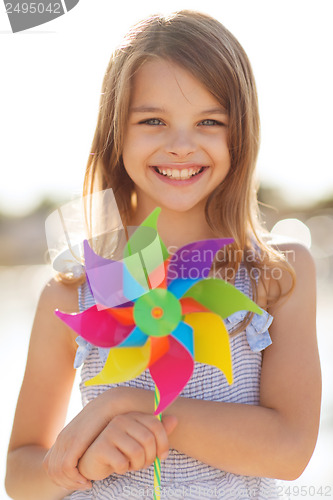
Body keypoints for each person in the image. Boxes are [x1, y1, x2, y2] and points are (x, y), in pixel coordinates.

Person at [5, 10, 321, 500]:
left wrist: (131, 404)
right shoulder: (73, 292)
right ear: (117, 132)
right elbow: (21, 476)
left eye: (209, 121)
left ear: (241, 134)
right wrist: (81, 462)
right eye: (153, 120)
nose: (180, 145)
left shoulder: (276, 276)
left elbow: (290, 449)